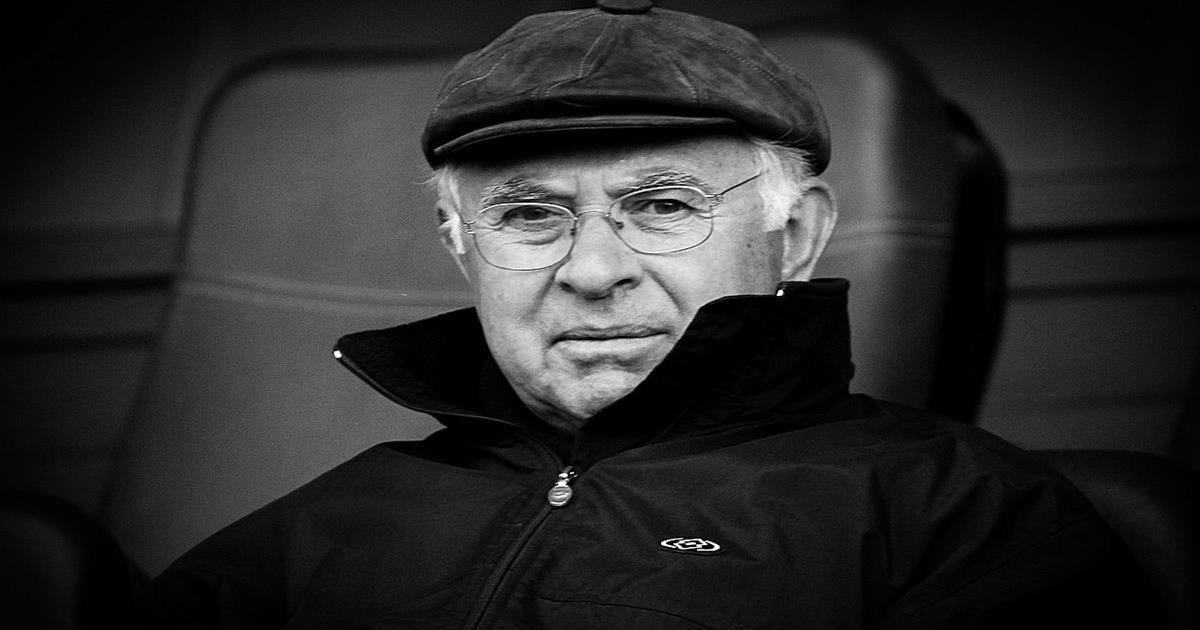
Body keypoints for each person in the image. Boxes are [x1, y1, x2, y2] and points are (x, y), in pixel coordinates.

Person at [138, 1, 1162, 627]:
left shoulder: (963, 519)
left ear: (797, 236)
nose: (592, 271)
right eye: (530, 215)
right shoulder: (307, 534)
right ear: (461, 247)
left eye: (663, 206)